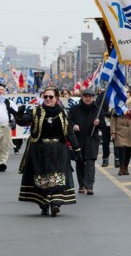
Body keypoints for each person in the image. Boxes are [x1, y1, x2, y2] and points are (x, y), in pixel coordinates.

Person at [15, 87, 81, 216]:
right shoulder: (35, 111)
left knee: (58, 176)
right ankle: (44, 203)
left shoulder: (62, 113)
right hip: (40, 150)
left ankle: (55, 203)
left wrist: (76, 148)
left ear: (56, 98)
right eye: (45, 97)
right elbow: (23, 121)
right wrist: (19, 115)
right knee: (42, 176)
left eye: (51, 97)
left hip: (59, 150)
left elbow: (69, 132)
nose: (48, 99)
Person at [68, 87, 103, 195]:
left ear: (93, 97)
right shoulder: (74, 109)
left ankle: (89, 186)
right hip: (78, 139)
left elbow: (104, 125)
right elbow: (68, 121)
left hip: (92, 139)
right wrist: (73, 126)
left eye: (90, 96)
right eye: (85, 96)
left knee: (90, 162)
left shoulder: (98, 109)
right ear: (82, 97)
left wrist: (99, 123)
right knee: (80, 162)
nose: (88, 98)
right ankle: (81, 184)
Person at [111, 88, 131, 176]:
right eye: (124, 92)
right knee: (121, 149)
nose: (126, 93)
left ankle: (126, 167)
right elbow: (113, 118)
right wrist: (113, 131)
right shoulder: (118, 103)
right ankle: (121, 167)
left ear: (130, 93)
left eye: (127, 91)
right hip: (120, 129)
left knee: (128, 150)